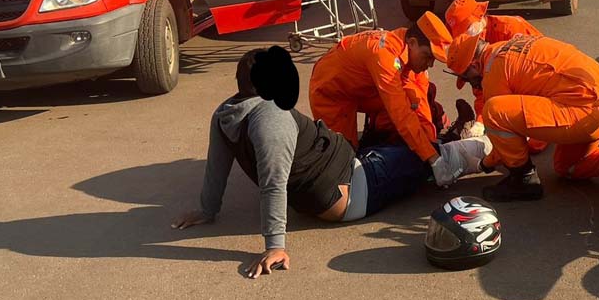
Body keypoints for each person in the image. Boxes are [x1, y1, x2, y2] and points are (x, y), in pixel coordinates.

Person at [171, 48, 486, 279]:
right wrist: (275, 246)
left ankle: (453, 134)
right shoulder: (271, 119)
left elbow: (218, 164)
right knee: (425, 156)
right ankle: (483, 148)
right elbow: (273, 182)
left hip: (346, 170)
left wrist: (207, 208)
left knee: (397, 142)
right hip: (355, 185)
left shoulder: (227, 111)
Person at [446, 32, 599, 202]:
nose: (472, 84)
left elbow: (501, 127)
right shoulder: (510, 45)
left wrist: (483, 164)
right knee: (567, 168)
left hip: (588, 113)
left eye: (467, 78)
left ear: (475, 65)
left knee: (493, 111)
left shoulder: (494, 72)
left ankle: (524, 179)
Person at [309, 12, 452, 165]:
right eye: (428, 57)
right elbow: (400, 112)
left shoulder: (407, 50)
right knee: (341, 160)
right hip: (331, 94)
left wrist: (431, 147)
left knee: (414, 96)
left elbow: (420, 103)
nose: (430, 64)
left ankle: (382, 138)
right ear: (412, 42)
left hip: (363, 89)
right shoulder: (383, 55)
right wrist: (432, 158)